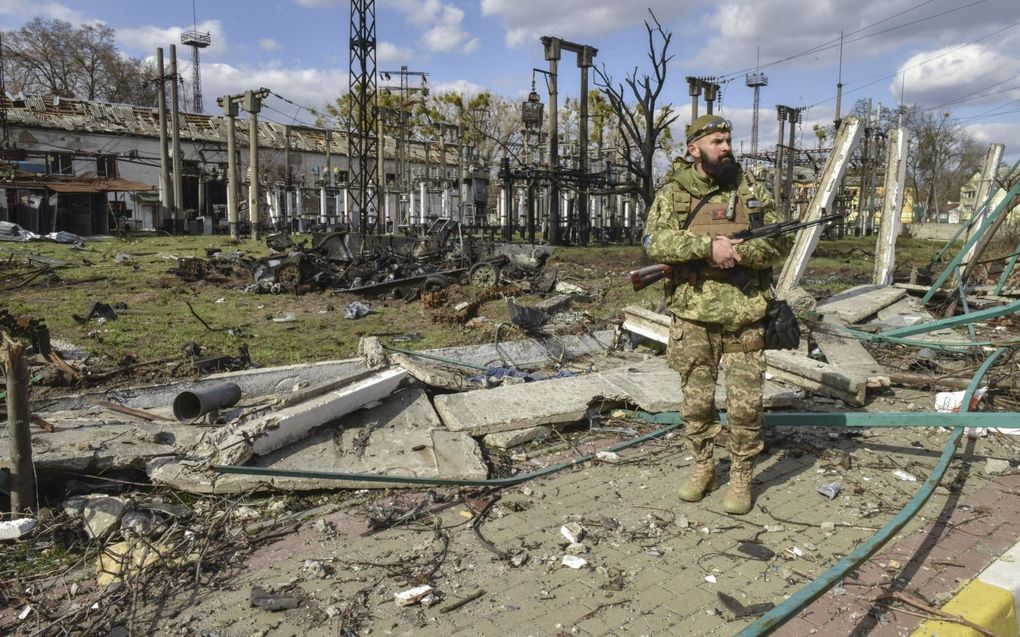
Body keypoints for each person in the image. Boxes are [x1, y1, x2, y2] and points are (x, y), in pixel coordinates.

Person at [642, 114, 790, 515]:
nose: (726, 147)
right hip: (693, 316)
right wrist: (709, 249)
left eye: (728, 140)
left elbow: (780, 241)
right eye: (716, 141)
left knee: (745, 406)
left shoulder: (751, 188)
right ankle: (703, 466)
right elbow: (655, 242)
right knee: (696, 403)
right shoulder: (673, 192)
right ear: (694, 150)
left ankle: (741, 474)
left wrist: (740, 251)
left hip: (745, 316)